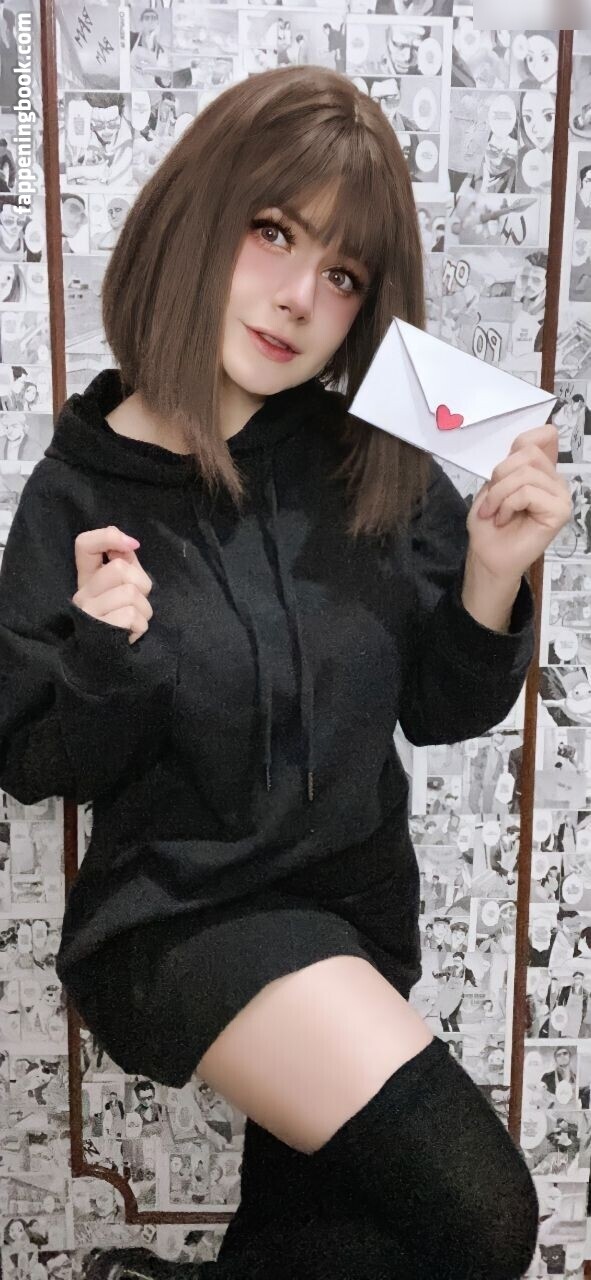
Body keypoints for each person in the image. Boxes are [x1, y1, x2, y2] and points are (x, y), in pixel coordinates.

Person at [0, 65, 571, 1280]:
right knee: (482, 1216)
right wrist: (102, 650)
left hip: (356, 913)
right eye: (273, 231)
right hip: (186, 917)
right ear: (200, 217)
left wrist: (491, 574)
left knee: (332, 1239)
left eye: (344, 273)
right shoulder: (83, 486)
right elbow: (35, 759)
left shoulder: (369, 450)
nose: (301, 295)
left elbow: (441, 705)